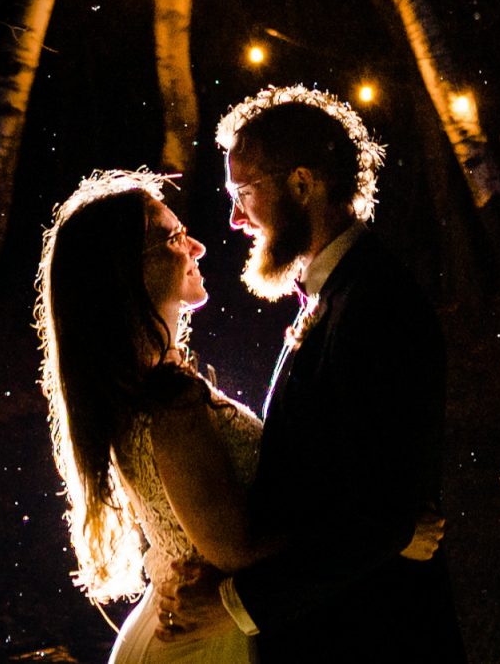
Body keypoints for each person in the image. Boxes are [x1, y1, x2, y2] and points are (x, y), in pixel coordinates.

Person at [35, 166, 440, 664]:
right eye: (173, 238)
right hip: (203, 644)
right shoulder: (170, 402)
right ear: (126, 272)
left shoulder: (141, 388)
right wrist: (384, 534)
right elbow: (238, 549)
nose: (197, 247)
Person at [157, 86, 468, 664]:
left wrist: (236, 603)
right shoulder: (334, 295)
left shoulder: (378, 304)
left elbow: (382, 514)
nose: (233, 218)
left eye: (243, 193)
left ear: (303, 184)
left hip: (377, 636)